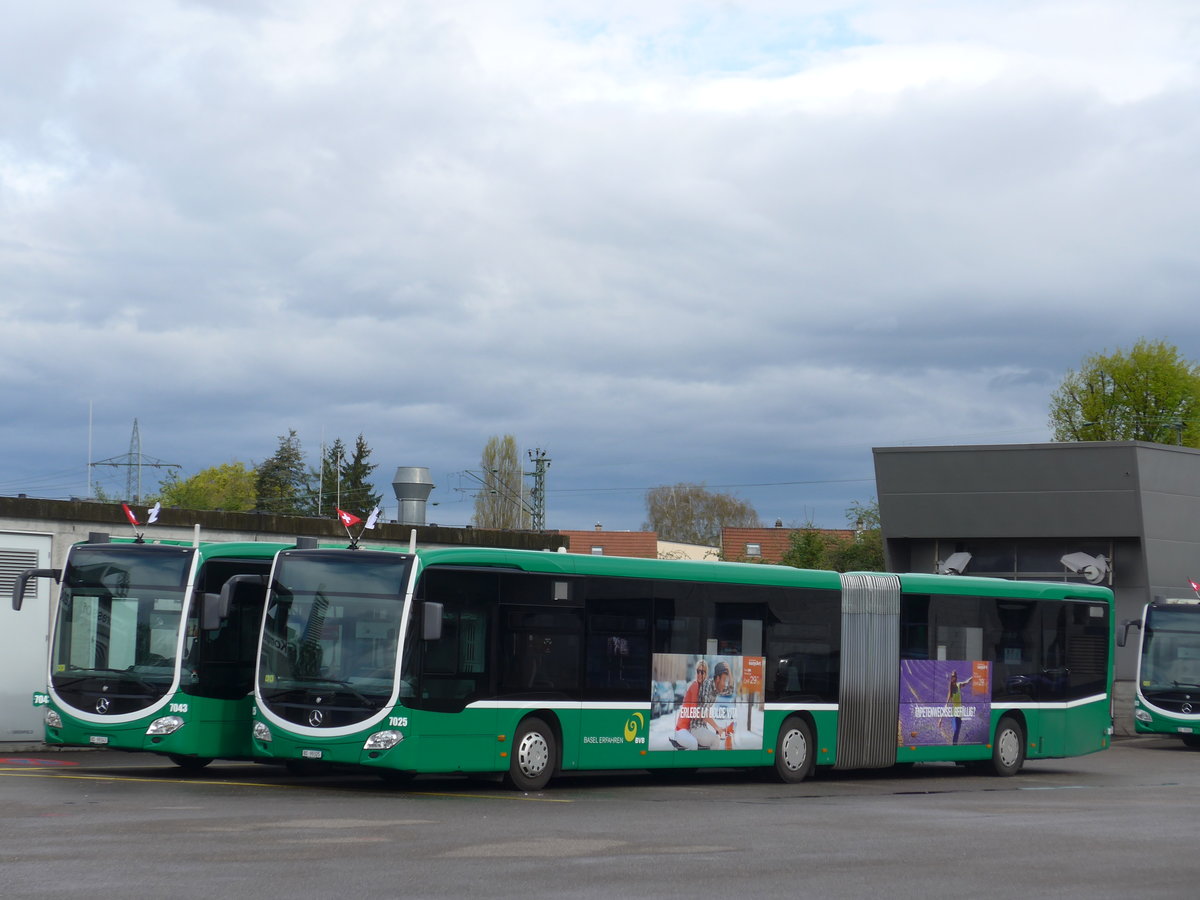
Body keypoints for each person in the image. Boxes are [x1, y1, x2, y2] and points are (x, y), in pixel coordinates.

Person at [671, 659, 708, 750]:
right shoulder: (695, 686)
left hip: (689, 730)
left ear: (706, 674)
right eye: (698, 671)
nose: (699, 674)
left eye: (702, 672)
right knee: (694, 744)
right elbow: (694, 712)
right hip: (682, 730)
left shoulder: (701, 688)